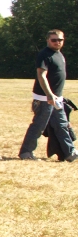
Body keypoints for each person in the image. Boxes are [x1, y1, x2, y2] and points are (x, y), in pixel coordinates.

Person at [18, 29, 77, 161]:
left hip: (56, 99)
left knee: (62, 125)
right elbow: (41, 75)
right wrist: (49, 95)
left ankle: (70, 153)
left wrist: (57, 97)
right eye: (54, 40)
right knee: (39, 126)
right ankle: (26, 153)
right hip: (44, 98)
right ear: (48, 40)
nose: (57, 42)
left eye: (60, 40)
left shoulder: (59, 54)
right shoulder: (44, 54)